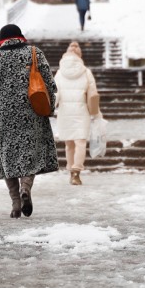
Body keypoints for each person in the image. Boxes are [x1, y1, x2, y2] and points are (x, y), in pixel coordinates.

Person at [0, 24, 58, 218]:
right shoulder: (34, 53)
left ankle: (15, 203)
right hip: (31, 113)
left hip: (3, 117)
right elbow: (49, 84)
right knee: (29, 155)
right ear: (20, 37)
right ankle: (26, 188)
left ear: (2, 40)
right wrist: (50, 107)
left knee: (8, 159)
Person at [55, 42, 99, 185]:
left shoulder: (60, 72)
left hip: (65, 112)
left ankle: (70, 172)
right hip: (82, 112)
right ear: (80, 55)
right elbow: (93, 95)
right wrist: (97, 113)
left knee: (69, 144)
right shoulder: (86, 71)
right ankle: (76, 172)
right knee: (80, 142)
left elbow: (54, 94)